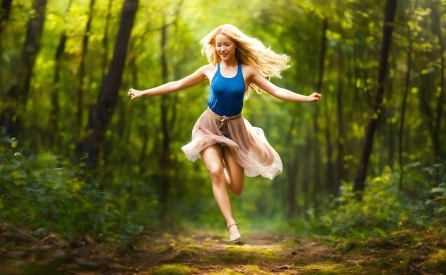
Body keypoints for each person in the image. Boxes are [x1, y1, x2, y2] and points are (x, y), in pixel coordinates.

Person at [127, 24, 321, 242]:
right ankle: (232, 225)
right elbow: (177, 84)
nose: (222, 49)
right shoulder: (209, 70)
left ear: (235, 45)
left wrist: (305, 98)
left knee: (236, 188)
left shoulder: (247, 71)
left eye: (226, 44)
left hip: (235, 131)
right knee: (215, 171)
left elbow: (276, 90)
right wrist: (144, 92)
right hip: (208, 126)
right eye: (218, 45)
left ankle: (228, 173)